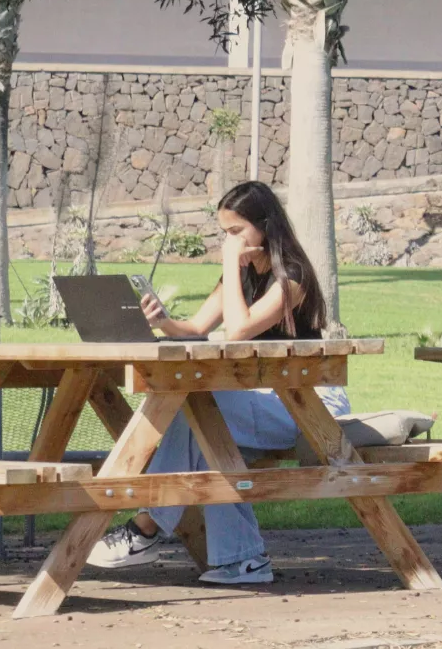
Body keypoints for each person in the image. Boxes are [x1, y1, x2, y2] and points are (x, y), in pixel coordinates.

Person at [86, 180, 346, 585]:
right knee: (201, 424)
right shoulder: (238, 277)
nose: (230, 241)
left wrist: (229, 264)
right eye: (224, 233)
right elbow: (195, 328)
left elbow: (238, 330)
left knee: (195, 408)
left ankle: (147, 526)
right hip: (260, 397)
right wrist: (160, 321)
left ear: (265, 225)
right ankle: (245, 562)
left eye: (236, 231)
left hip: (307, 404)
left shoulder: (292, 278)